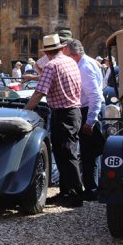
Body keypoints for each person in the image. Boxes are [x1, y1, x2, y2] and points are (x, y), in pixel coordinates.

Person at [24, 33, 83, 208]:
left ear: (47, 52)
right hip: (73, 112)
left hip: (63, 113)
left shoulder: (52, 65)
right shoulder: (69, 61)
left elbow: (39, 92)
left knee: (66, 155)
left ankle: (75, 195)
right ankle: (67, 192)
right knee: (65, 154)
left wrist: (25, 111)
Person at [64, 39, 104, 201]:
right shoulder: (85, 63)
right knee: (91, 153)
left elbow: (95, 96)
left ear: (75, 55)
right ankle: (94, 186)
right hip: (88, 109)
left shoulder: (85, 67)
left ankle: (92, 189)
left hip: (89, 110)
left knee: (89, 153)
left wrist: (90, 121)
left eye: (67, 56)